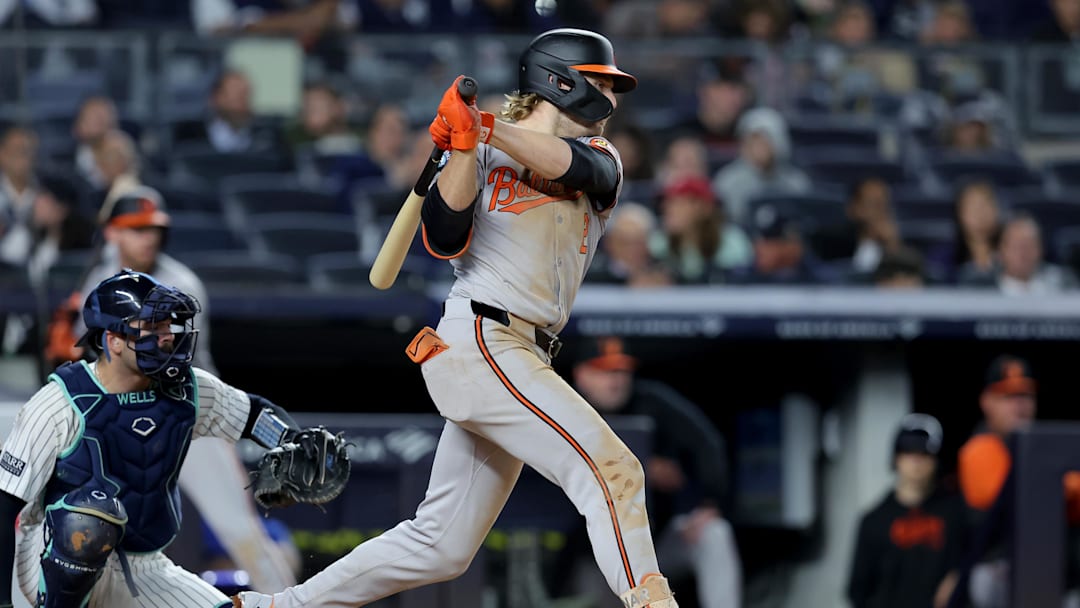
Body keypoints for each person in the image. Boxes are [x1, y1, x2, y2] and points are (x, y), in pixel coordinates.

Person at [234, 27, 684, 608]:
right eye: (602, 83)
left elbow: (575, 170)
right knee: (613, 470)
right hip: (482, 337)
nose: (612, 99)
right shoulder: (481, 150)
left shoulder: (602, 156)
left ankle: (275, 606)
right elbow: (445, 236)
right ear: (562, 80)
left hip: (522, 351)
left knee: (441, 545)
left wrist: (485, 127)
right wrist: (463, 149)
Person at [0, 269, 318, 607]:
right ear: (113, 340)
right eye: (152, 328)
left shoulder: (188, 390)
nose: (167, 336)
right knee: (88, 518)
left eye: (169, 326)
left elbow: (252, 415)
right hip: (47, 562)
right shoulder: (57, 404)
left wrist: (291, 439)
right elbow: (5, 506)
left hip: (144, 565)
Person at [560, 336, 741, 608]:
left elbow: (708, 444)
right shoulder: (562, 408)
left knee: (715, 533)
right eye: (605, 370)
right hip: (591, 556)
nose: (616, 380)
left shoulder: (651, 402)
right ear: (582, 374)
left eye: (621, 370)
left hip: (655, 545)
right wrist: (641, 467)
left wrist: (709, 504)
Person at [951, 355, 1080, 607]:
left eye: (1026, 396)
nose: (1019, 405)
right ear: (986, 401)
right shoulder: (979, 448)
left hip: (1057, 570)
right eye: (1008, 397)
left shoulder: (1042, 445)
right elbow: (1026, 497)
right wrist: (1065, 487)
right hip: (999, 568)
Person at [66, 186, 217, 374]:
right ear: (112, 233)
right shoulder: (101, 277)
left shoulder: (181, 285)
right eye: (138, 229)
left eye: (155, 230)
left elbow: (175, 354)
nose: (150, 239)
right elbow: (83, 342)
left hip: (184, 385)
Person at [847, 413, 968, 608]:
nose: (916, 461)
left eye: (925, 453)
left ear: (936, 460)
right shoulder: (874, 520)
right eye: (909, 452)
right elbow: (858, 591)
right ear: (896, 457)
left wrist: (958, 575)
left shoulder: (956, 512)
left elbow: (974, 559)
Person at [711, 106, 811, 226]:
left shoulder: (796, 182)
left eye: (764, 142)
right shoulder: (726, 182)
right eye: (752, 142)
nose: (758, 149)